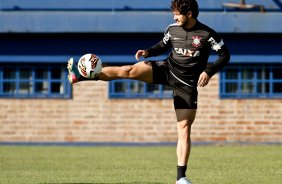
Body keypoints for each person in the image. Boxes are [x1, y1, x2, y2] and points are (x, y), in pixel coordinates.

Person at [67, 0, 230, 183]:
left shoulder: (208, 34)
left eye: (177, 14)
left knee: (184, 128)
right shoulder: (172, 29)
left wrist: (208, 71)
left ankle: (181, 178)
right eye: (173, 13)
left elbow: (225, 55)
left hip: (186, 84)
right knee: (127, 70)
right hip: (167, 69)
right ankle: (82, 76)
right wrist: (147, 52)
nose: (174, 17)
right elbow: (163, 45)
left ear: (190, 13)